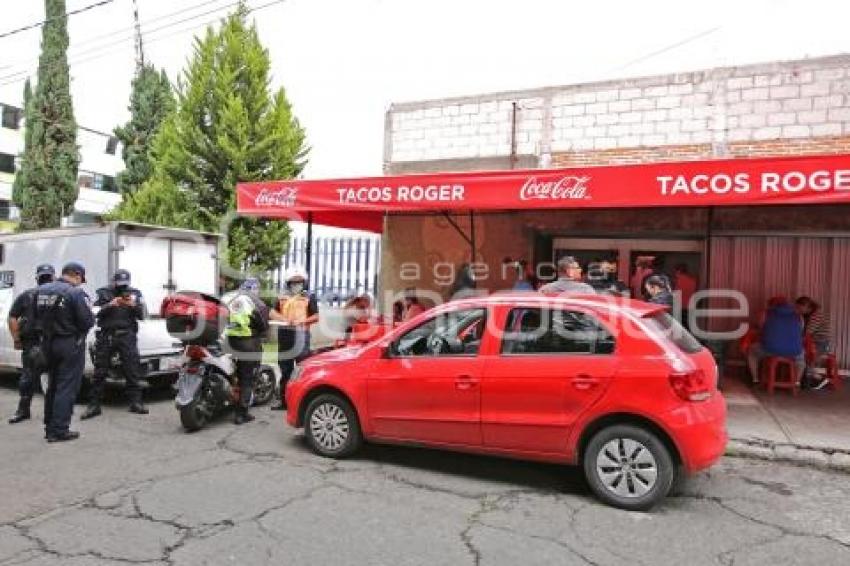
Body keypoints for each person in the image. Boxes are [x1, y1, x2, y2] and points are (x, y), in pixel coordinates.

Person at [36, 262, 95, 442]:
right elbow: (87, 322)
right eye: (80, 279)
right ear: (76, 275)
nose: (80, 283)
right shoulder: (76, 293)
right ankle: (59, 430)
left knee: (52, 386)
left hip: (47, 343)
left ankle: (49, 426)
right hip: (69, 344)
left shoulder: (42, 290)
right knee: (66, 388)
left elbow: (34, 318)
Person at [82, 269, 148, 419]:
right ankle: (94, 405)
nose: (122, 288)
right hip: (107, 335)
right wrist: (110, 304)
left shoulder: (136, 293)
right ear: (113, 281)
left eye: (125, 285)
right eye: (119, 284)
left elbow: (143, 315)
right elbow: (94, 312)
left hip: (127, 335)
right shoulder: (103, 293)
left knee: (132, 369)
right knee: (100, 371)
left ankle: (135, 402)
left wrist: (134, 306)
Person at [7, 264, 55, 424]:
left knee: (28, 377)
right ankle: (50, 414)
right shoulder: (60, 294)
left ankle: (24, 410)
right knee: (50, 378)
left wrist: (16, 339)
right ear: (53, 277)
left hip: (34, 342)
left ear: (37, 278)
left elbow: (12, 317)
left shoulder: (27, 295)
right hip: (49, 342)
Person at [270, 267, 319, 410]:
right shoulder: (281, 296)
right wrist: (284, 319)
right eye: (293, 282)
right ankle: (284, 402)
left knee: (301, 370)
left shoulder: (309, 296)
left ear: (304, 282)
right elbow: (272, 312)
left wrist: (302, 322)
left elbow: (316, 316)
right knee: (285, 371)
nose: (297, 284)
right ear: (288, 282)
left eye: (299, 281)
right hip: (284, 337)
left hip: (301, 337)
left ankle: (301, 403)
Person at [224, 278, 270, 424]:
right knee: (247, 378)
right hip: (248, 343)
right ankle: (241, 414)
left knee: (233, 372)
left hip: (230, 341)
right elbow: (263, 324)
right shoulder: (255, 302)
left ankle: (231, 398)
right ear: (255, 289)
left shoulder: (232, 299)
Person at [747, 298, 804, 385]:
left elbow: (760, 326)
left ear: (771, 305)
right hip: (793, 351)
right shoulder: (798, 315)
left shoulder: (766, 313)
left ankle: (755, 379)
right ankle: (797, 382)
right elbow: (801, 330)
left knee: (751, 351)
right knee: (801, 359)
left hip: (770, 349)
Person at [795, 296, 832, 390]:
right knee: (804, 356)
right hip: (813, 340)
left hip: (820, 342)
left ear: (807, 307)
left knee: (807, 357)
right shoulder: (809, 315)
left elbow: (807, 333)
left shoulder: (816, 315)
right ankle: (807, 379)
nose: (798, 310)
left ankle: (819, 379)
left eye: (799, 308)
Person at [673, 264, 698, 328]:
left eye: (674, 271)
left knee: (679, 326)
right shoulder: (693, 280)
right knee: (688, 326)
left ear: (678, 271)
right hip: (691, 306)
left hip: (680, 307)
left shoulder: (676, 280)